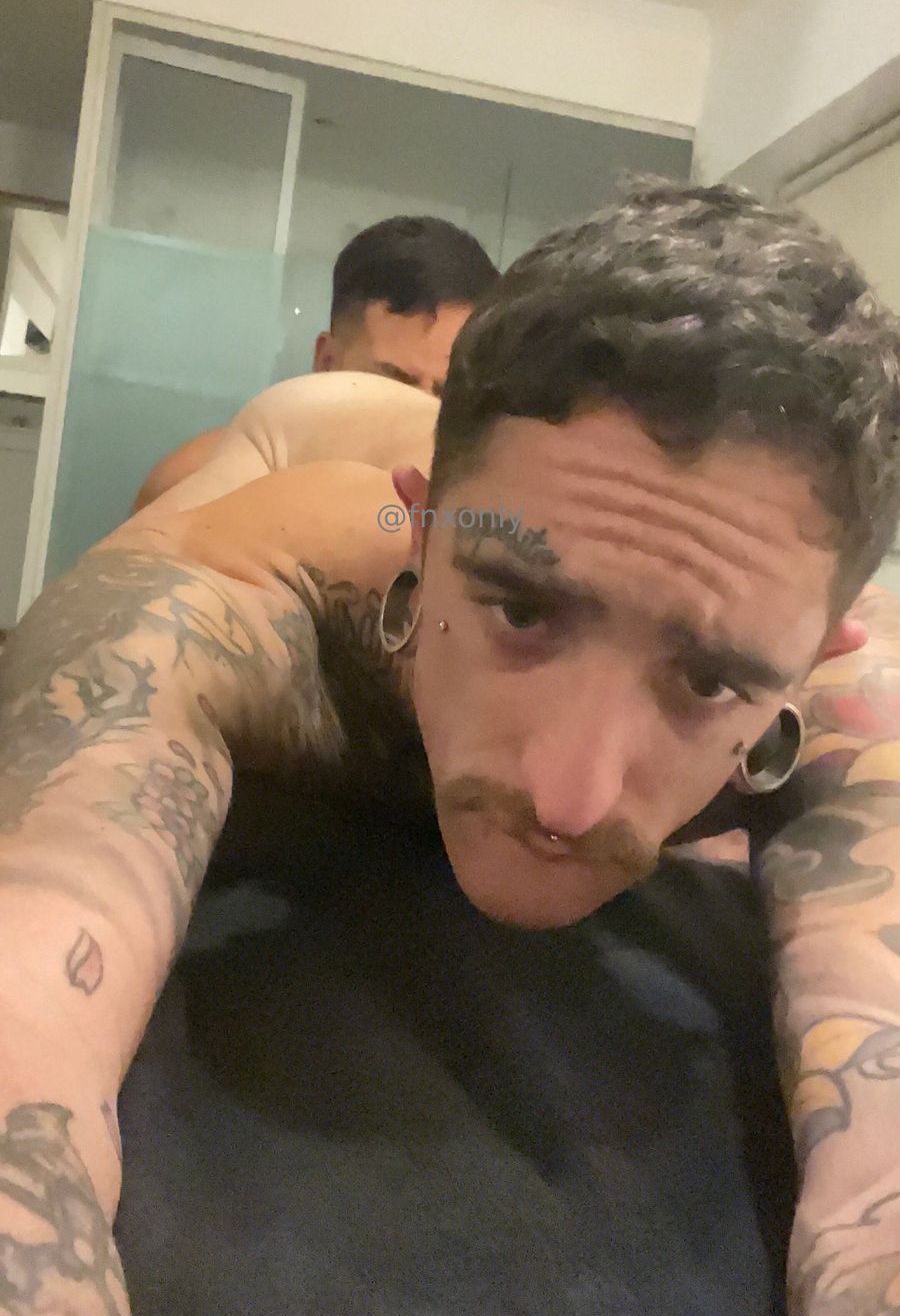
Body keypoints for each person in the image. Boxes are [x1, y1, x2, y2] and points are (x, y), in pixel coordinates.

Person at [1, 180, 900, 1315]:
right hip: (308, 444)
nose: (567, 795)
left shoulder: (834, 668)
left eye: (707, 681)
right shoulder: (269, 576)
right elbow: (31, 987)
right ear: (426, 538)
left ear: (820, 650)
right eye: (521, 610)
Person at [133, 215, 497, 510]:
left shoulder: (468, 521)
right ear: (327, 362)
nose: (423, 415)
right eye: (393, 385)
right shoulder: (190, 489)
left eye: (447, 395)